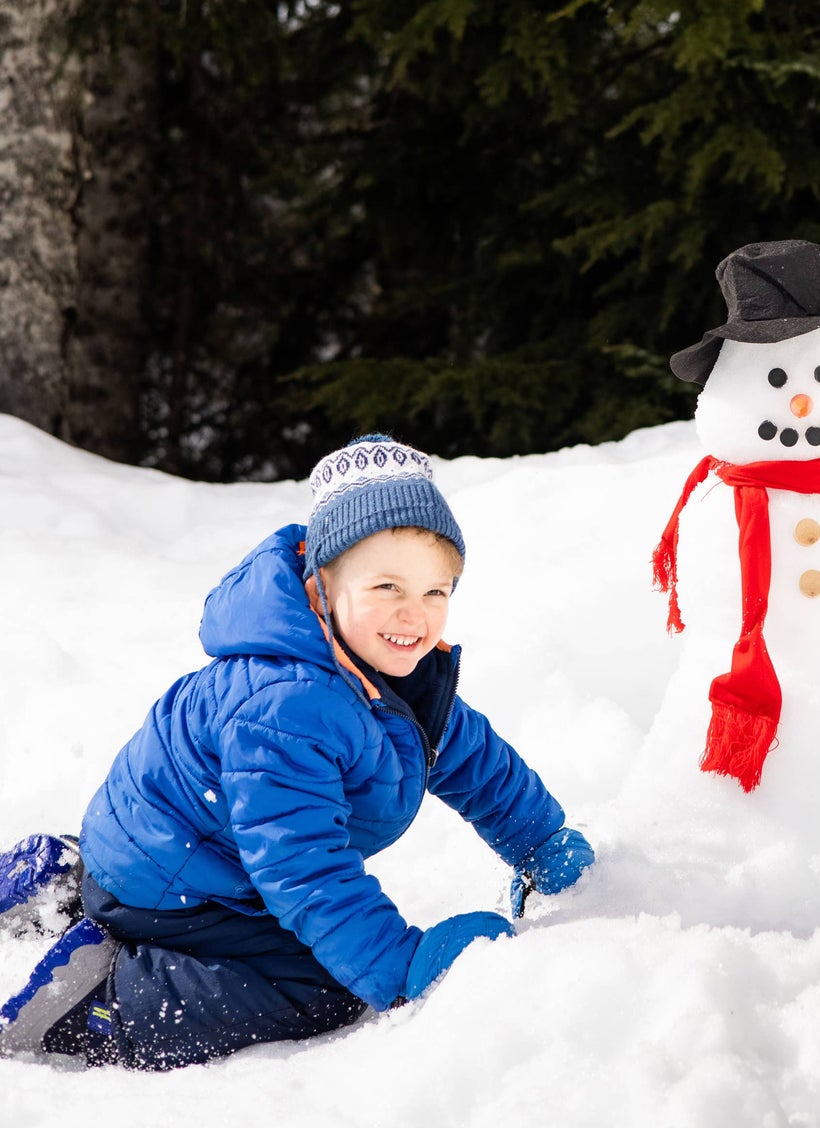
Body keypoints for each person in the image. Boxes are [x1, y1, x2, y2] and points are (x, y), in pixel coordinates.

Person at [0, 434, 593, 1068]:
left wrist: (540, 839)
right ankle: (97, 998)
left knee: (322, 943)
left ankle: (71, 878)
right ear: (321, 585)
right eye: (386, 586)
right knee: (320, 987)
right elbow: (300, 864)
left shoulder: (389, 672)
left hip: (178, 847)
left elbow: (472, 759)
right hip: (177, 886)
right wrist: (397, 967)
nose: (413, 615)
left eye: (435, 592)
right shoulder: (288, 706)